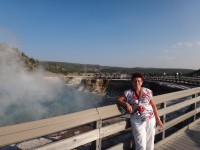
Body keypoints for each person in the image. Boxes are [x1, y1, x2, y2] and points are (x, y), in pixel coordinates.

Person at [117, 73, 163, 150]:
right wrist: (126, 104)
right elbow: (118, 100)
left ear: (142, 82)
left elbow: (153, 106)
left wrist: (158, 119)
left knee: (150, 143)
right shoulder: (128, 93)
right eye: (135, 81)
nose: (137, 83)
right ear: (132, 82)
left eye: (139, 81)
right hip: (137, 121)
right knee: (141, 145)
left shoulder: (148, 91)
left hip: (150, 119)